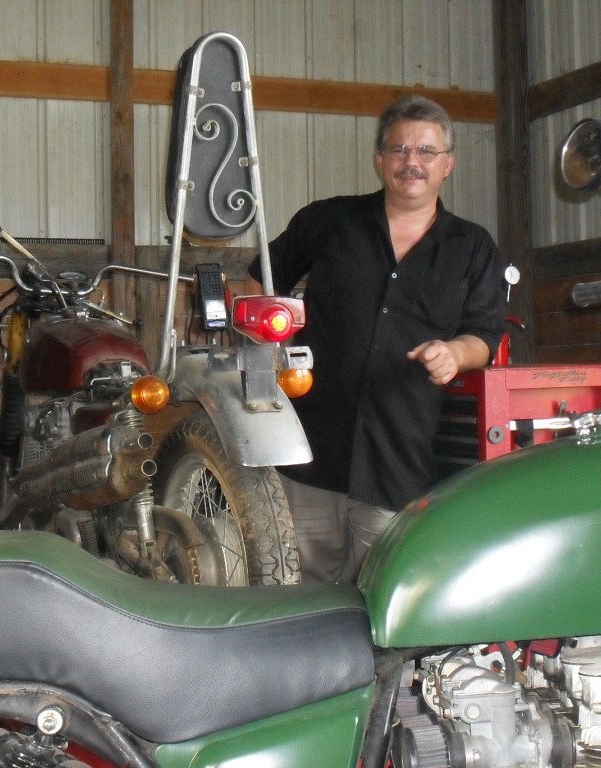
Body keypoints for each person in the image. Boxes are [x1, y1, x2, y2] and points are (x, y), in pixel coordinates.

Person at [244, 94, 504, 583]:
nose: (412, 162)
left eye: (427, 152)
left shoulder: (473, 248)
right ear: (379, 158)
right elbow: (260, 281)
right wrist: (269, 351)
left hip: (398, 453)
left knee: (383, 590)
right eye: (400, 149)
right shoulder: (328, 221)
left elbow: (484, 335)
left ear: (448, 164)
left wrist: (454, 353)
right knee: (302, 584)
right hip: (310, 447)